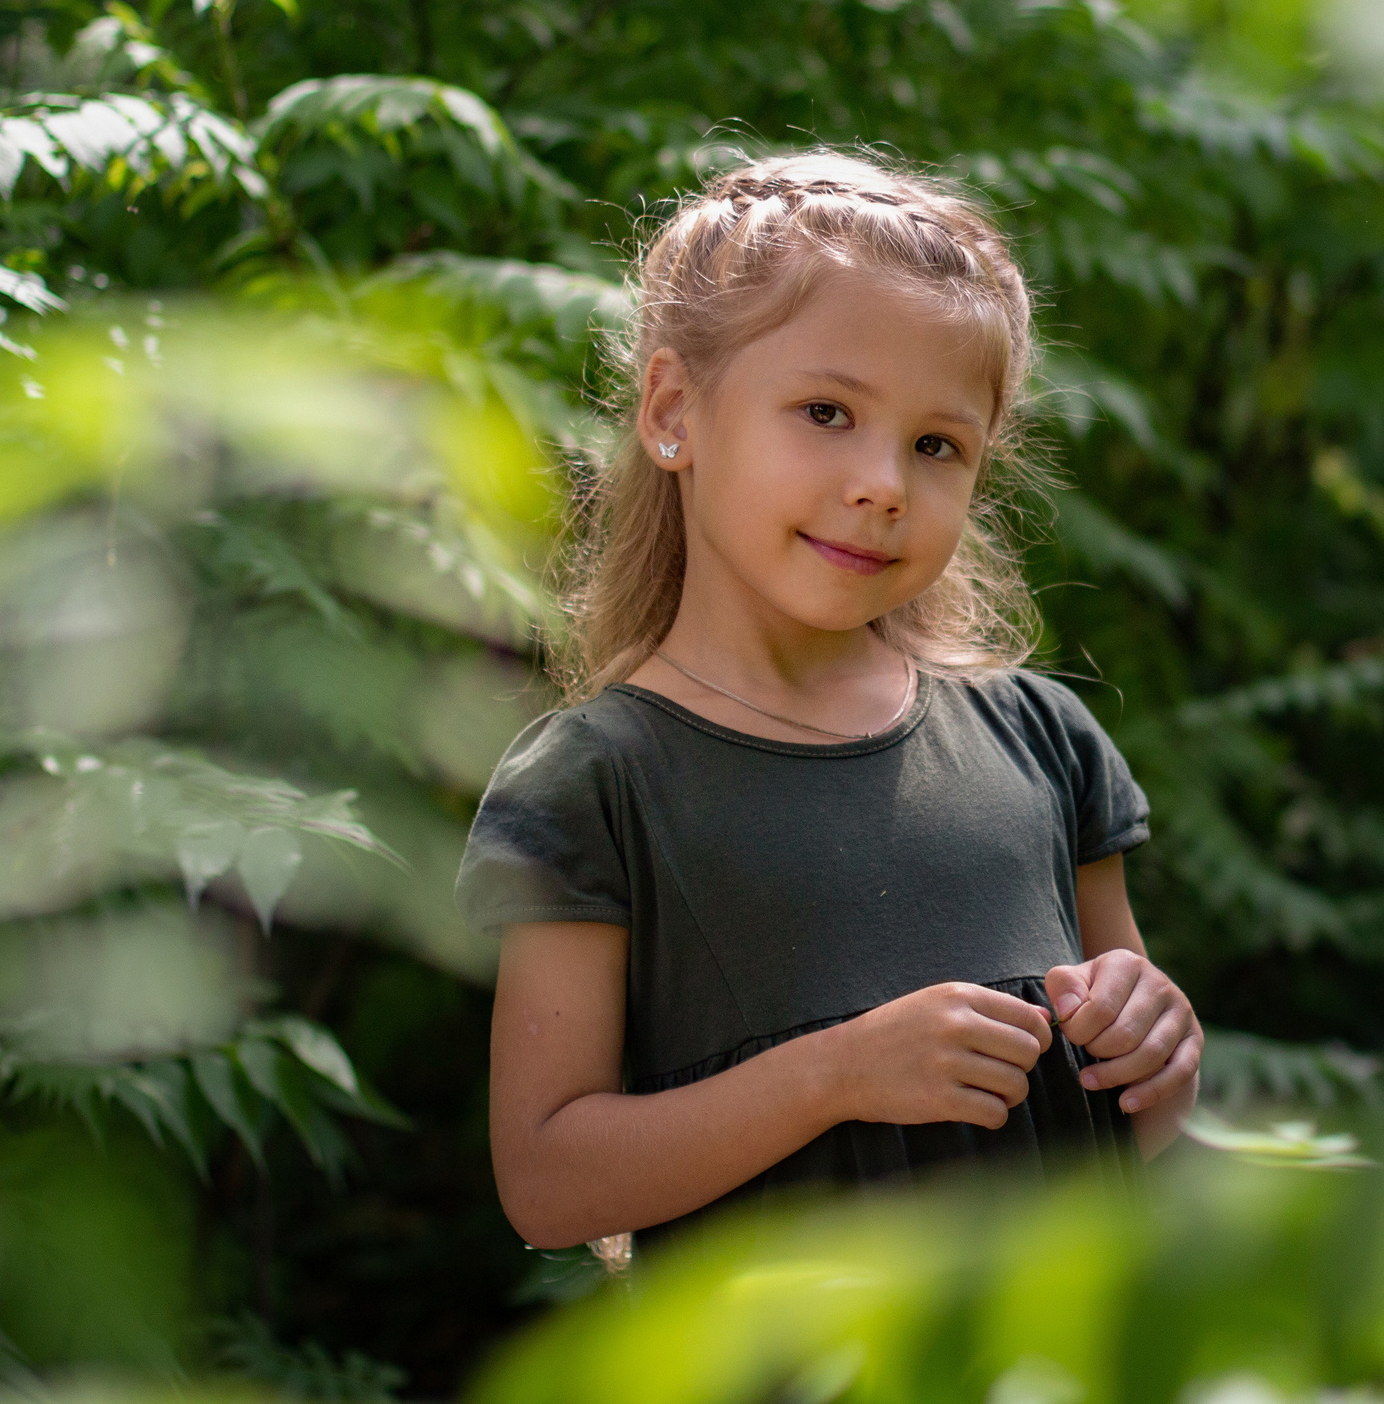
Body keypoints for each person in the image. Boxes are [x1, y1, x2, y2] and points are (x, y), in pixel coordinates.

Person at [454, 151, 1201, 1254]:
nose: (884, 485)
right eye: (825, 411)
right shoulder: (596, 784)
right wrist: (836, 1076)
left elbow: (1120, 1130)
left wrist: (1159, 1050)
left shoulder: (1042, 741)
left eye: (936, 445)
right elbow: (549, 1184)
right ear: (672, 412)